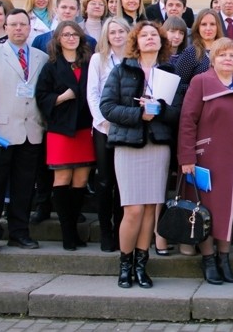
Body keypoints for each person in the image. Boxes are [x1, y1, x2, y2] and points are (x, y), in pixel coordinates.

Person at [100, 21, 182, 288]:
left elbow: (178, 112)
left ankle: (141, 266)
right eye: (144, 35)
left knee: (149, 210)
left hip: (158, 146)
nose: (150, 39)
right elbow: (107, 108)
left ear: (161, 42)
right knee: (133, 209)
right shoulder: (122, 70)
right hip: (128, 145)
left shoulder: (170, 72)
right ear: (136, 41)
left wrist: (160, 108)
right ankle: (124, 265)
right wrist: (139, 114)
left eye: (154, 36)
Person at [178, 38, 233, 284]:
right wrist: (186, 157)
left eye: (232, 55)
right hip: (207, 160)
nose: (228, 59)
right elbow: (187, 120)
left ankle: (224, 259)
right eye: (222, 55)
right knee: (207, 210)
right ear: (212, 59)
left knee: (228, 211)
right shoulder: (201, 81)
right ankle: (208, 260)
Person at [0, 8, 48, 253]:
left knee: (24, 186)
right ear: (5, 28)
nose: (18, 29)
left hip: (30, 130)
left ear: (30, 28)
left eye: (23, 25)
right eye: (13, 25)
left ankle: (19, 232)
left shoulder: (40, 57)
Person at [35, 21, 95, 251]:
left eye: (74, 34)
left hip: (84, 128)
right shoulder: (51, 66)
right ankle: (67, 234)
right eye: (66, 35)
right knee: (61, 180)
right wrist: (62, 97)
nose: (71, 38)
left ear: (80, 38)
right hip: (60, 129)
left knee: (80, 180)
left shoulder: (89, 63)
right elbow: (41, 96)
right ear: (58, 39)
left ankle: (74, 229)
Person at [87, 18, 131, 252]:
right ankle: (106, 230)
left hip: (127, 126)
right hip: (104, 127)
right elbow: (92, 94)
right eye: (112, 32)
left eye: (121, 31)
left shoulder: (133, 59)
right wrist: (102, 121)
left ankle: (120, 230)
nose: (117, 35)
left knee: (123, 182)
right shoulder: (98, 59)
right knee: (105, 181)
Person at [174, 8, 224, 96]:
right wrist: (200, 88)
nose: (208, 28)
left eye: (212, 24)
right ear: (198, 27)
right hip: (199, 104)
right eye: (204, 24)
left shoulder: (225, 51)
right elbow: (177, 85)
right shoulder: (190, 53)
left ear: (218, 27)